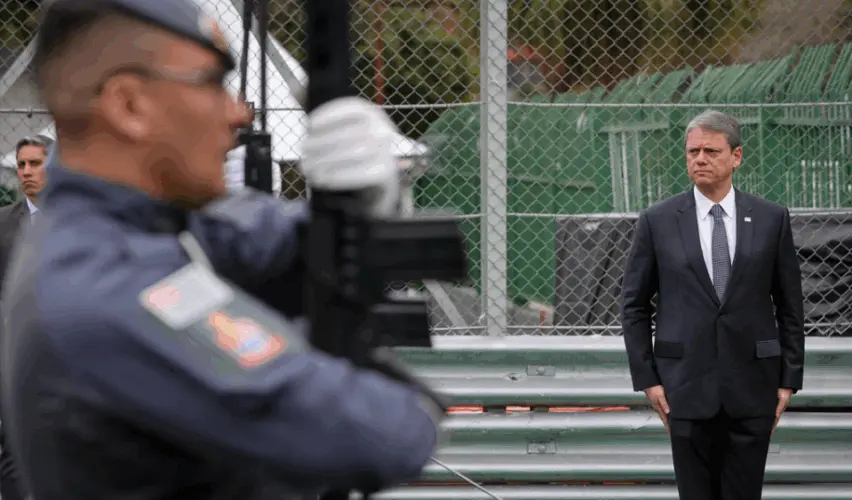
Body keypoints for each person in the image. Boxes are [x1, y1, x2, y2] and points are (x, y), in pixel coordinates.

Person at [0, 1, 442, 499]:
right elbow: (387, 435)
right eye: (211, 83)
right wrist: (404, 393)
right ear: (129, 105)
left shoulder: (124, 230)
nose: (238, 112)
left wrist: (358, 196)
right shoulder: (110, 293)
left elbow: (269, 238)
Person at [620, 109, 804, 500]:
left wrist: (788, 380)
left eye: (711, 151)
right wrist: (648, 379)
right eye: (693, 152)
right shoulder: (658, 220)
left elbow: (790, 305)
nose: (700, 159)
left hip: (753, 386)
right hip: (684, 386)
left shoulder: (771, 219)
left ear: (736, 156)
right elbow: (634, 305)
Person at [0, 134, 51, 500]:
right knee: (13, 441)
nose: (27, 172)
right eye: (21, 165)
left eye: (36, 163)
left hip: (66, 346)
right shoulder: (3, 224)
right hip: (15, 349)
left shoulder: (77, 221)